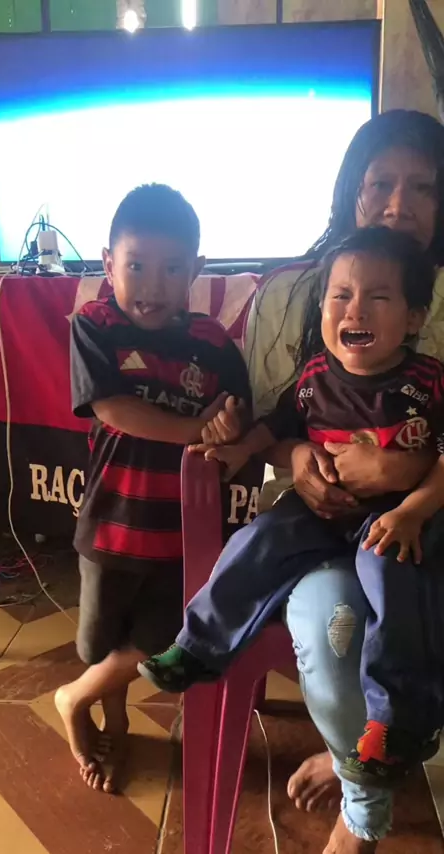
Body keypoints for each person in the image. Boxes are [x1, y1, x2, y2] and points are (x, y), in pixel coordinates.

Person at [138, 226, 444, 792]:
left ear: (413, 318)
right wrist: (240, 450)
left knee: (393, 577)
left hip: (394, 516)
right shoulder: (312, 379)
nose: (356, 309)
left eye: (378, 297)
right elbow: (276, 429)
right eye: (340, 295)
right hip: (320, 508)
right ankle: (199, 646)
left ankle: (399, 723)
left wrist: (414, 512)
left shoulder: (429, 384)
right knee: (257, 540)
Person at [243, 110, 444, 854]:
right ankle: (363, 791)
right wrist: (297, 457)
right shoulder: (293, 296)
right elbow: (272, 424)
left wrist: (403, 474)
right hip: (320, 528)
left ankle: (361, 772)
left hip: (426, 526)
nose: (398, 205)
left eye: (422, 187)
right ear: (349, 191)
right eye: (379, 184)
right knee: (335, 636)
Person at [55, 183, 250, 793]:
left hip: (182, 533)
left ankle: (71, 698)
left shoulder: (212, 343)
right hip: (110, 527)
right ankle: (112, 721)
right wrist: (195, 427)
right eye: (136, 266)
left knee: (164, 635)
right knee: (100, 642)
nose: (153, 284)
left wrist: (228, 426)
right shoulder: (96, 325)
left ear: (195, 268)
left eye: (171, 268)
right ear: (108, 263)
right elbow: (113, 409)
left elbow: (236, 416)